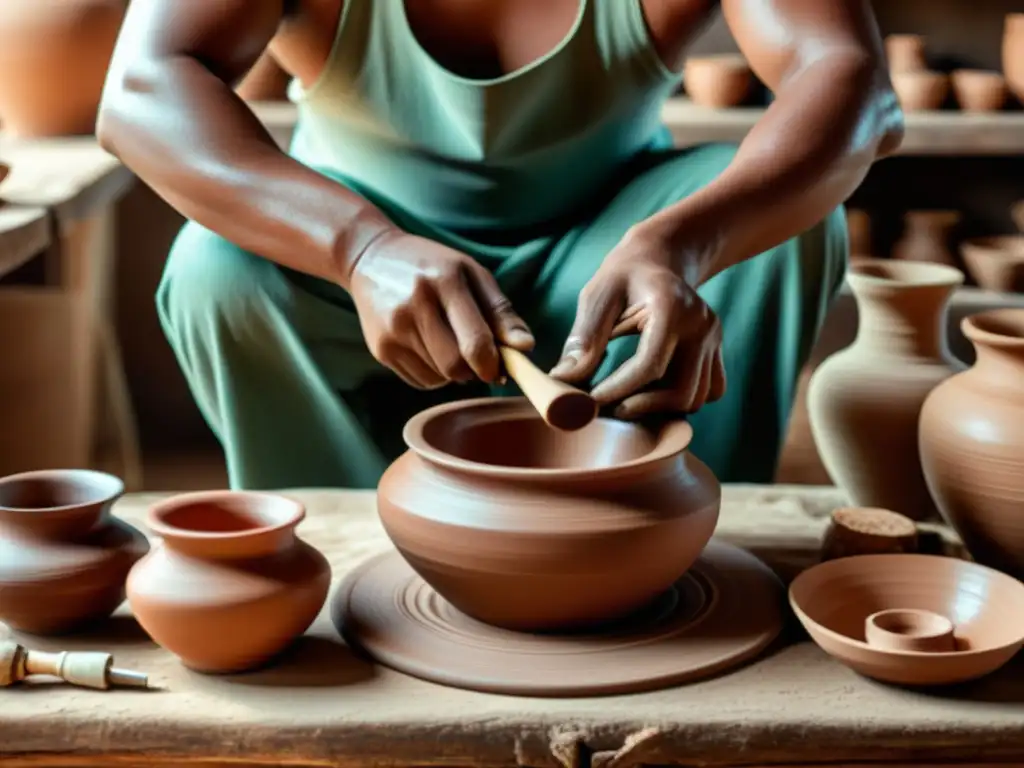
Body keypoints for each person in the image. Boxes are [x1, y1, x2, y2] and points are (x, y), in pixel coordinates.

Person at [97, 0, 903, 490]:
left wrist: (683, 245)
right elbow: (141, 89)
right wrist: (361, 250)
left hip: (609, 262)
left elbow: (851, 81)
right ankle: (333, 555)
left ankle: (677, 536)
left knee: (774, 230)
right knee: (218, 265)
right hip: (356, 272)